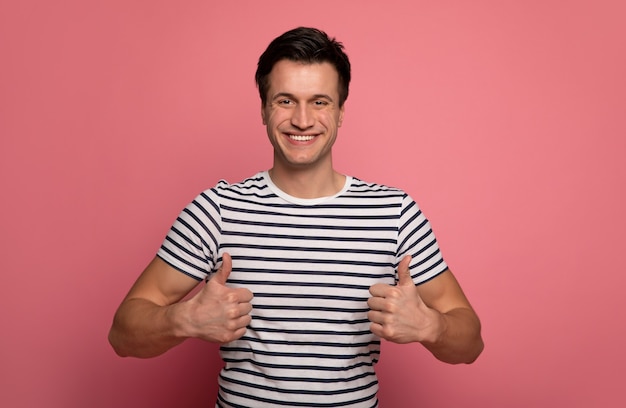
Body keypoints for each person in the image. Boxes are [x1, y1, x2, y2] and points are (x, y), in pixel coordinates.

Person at [109, 27, 483, 407]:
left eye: (320, 102)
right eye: (285, 100)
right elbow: (122, 334)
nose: (302, 120)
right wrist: (182, 320)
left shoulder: (395, 213)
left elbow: (470, 343)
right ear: (263, 109)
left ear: (340, 112)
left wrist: (431, 326)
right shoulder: (217, 210)